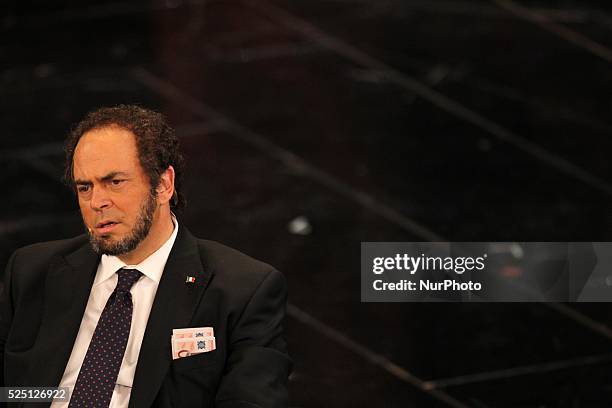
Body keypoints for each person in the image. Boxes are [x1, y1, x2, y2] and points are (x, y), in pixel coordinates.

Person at [0, 105, 291, 407]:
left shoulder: (241, 291)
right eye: (85, 187)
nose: (97, 202)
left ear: (163, 185)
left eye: (115, 182)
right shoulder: (31, 271)